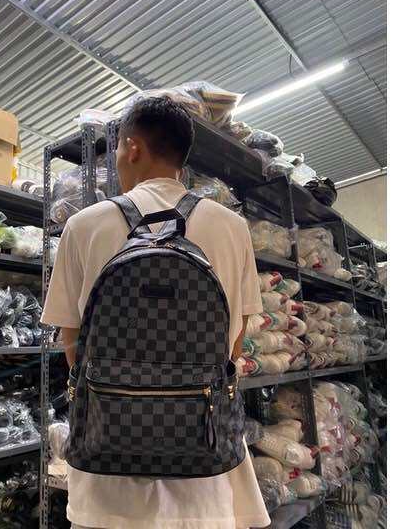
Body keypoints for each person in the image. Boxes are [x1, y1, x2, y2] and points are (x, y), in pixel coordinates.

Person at [41, 96, 270, 529]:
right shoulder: (232, 226)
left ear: (132, 147)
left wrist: (123, 395)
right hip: (204, 468)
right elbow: (235, 343)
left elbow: (72, 346)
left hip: (106, 477)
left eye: (117, 150)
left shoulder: (82, 225)